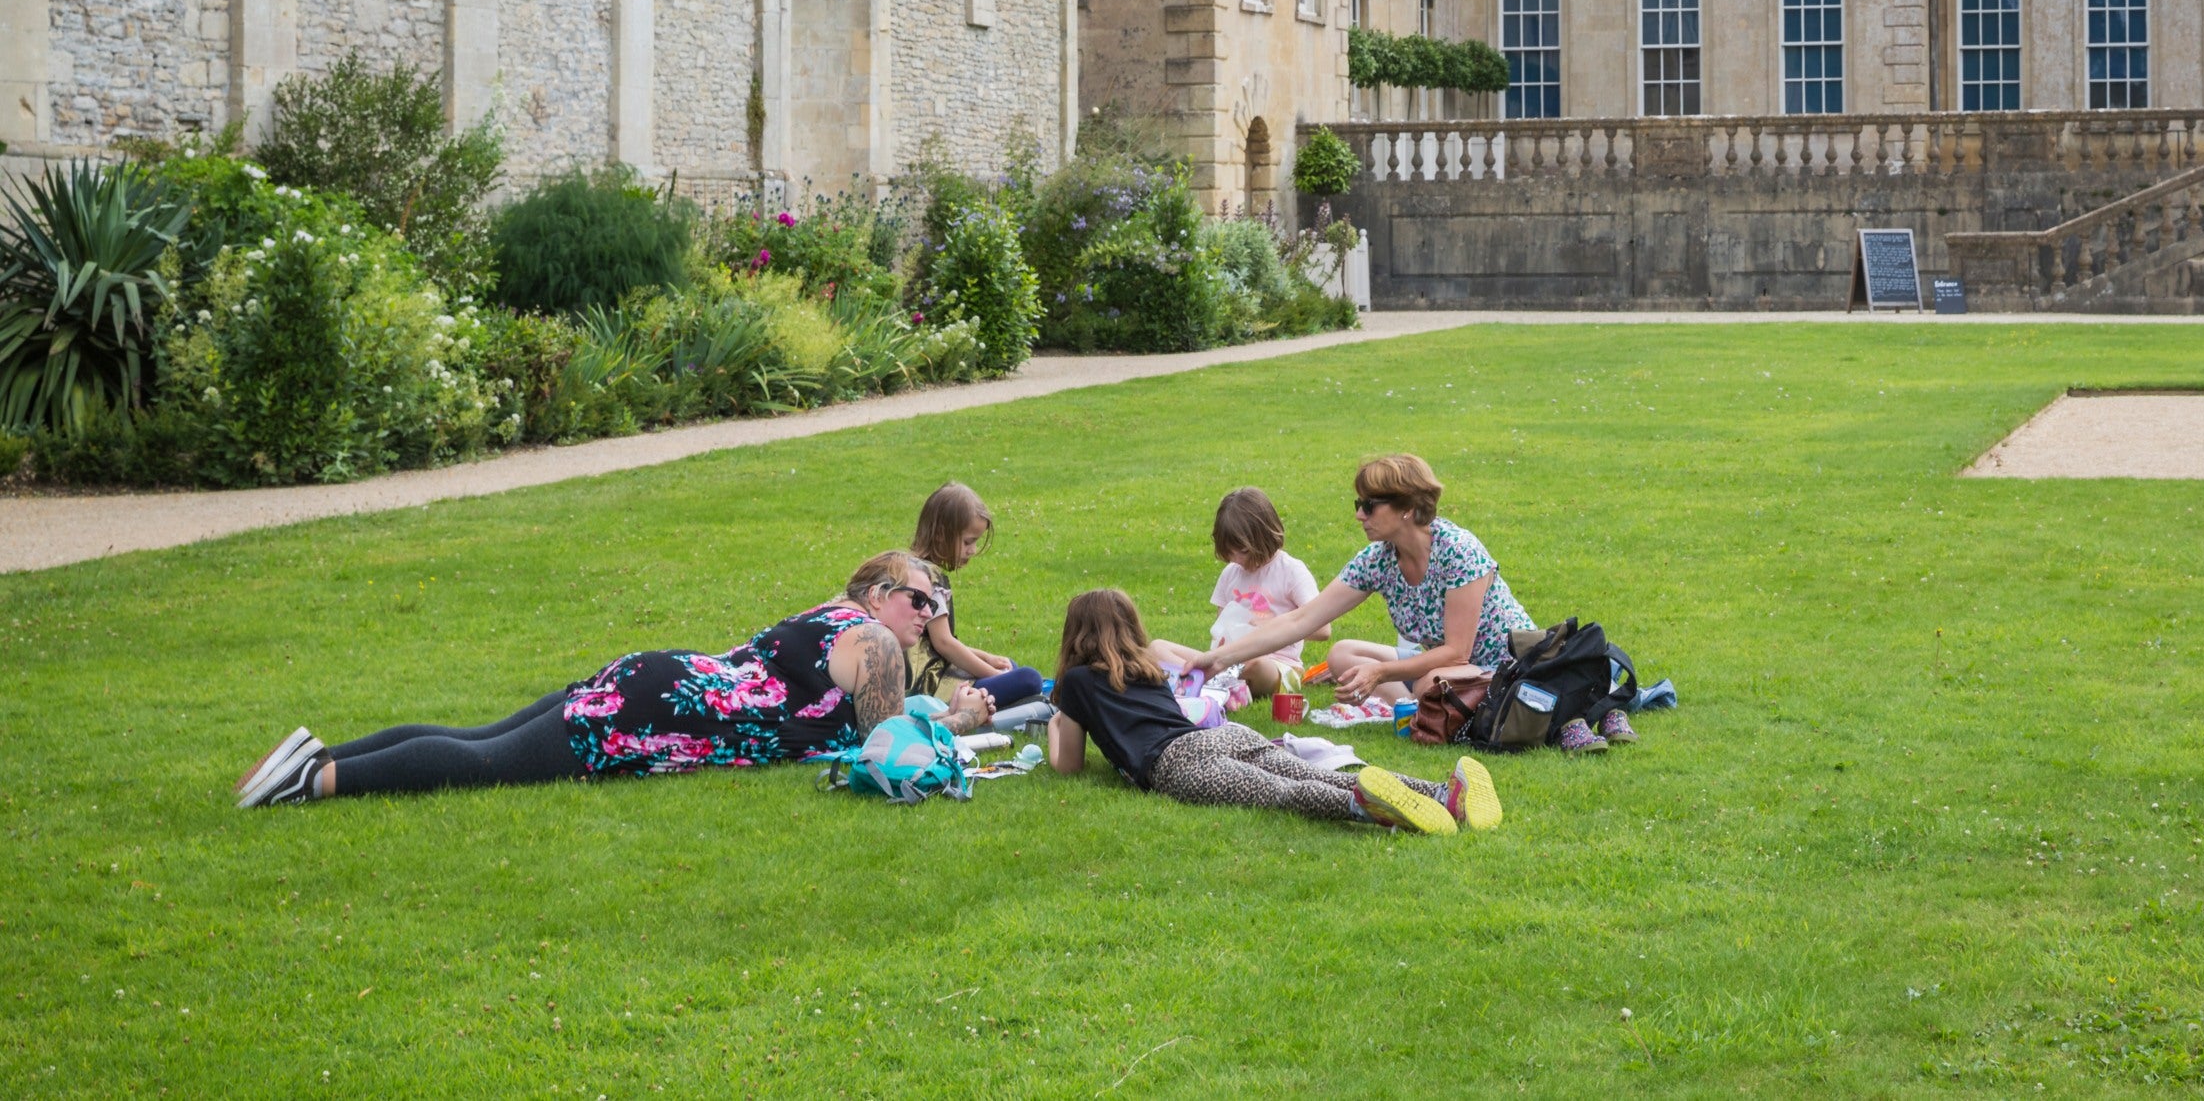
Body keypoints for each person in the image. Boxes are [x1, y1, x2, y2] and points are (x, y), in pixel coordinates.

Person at [235, 552, 964, 806]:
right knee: (489, 763)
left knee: (476, 737)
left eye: (937, 603)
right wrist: (958, 721)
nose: (926, 613)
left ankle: (318, 758)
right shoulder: (874, 641)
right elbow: (886, 746)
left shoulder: (834, 617)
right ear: (876, 595)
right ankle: (315, 784)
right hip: (669, 706)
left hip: (666, 683)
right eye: (917, 598)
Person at [1046, 588, 1497, 834]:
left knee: (1282, 793)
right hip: (1229, 735)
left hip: (1176, 762)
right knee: (1315, 774)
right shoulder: (1146, 667)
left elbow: (1068, 766)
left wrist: (1056, 725)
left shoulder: (1078, 683)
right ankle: (1441, 793)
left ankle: (1369, 809)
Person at [1196, 452, 1553, 707]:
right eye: (1359, 503)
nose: (1358, 515)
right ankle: (1416, 710)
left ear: (1407, 508)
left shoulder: (1458, 550)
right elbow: (1303, 619)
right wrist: (1220, 658)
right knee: (1342, 654)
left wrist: (1380, 673)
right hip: (1444, 666)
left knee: (1432, 682)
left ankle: (1420, 706)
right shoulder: (1379, 558)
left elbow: (1457, 652)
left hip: (1502, 667)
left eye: (1369, 505)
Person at [1148, 487, 1323, 700]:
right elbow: (1221, 628)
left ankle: (1209, 684)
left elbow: (1323, 630)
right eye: (1230, 553)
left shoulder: (1291, 571)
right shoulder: (1231, 574)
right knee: (1157, 648)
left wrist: (1271, 627)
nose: (1237, 559)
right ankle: (1217, 684)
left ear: (1265, 535)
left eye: (1243, 551)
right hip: (1230, 660)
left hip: (1277, 666)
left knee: (1254, 664)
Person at [909, 482, 1047, 712]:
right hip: (932, 689)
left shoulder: (915, 569)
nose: (972, 551)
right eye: (968, 542)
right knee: (1029, 679)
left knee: (1009, 666)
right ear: (942, 534)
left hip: (935, 675)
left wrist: (988, 658)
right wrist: (992, 673)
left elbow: (937, 643)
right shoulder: (927, 579)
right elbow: (944, 644)